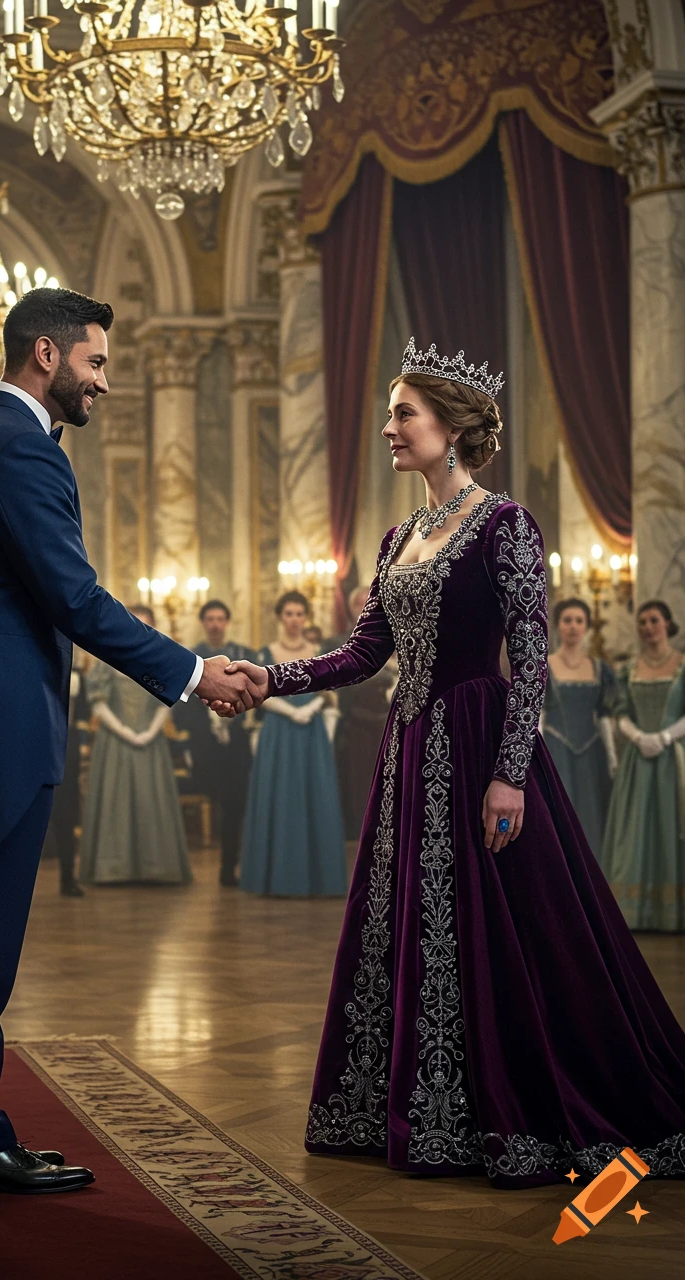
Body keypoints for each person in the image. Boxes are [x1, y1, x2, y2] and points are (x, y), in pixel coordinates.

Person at [227, 338, 685, 1187]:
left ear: (453, 426)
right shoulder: (400, 535)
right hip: (409, 754)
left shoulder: (506, 524)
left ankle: (514, 1108)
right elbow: (366, 652)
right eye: (392, 413)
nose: (389, 427)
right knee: (416, 927)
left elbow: (533, 656)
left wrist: (510, 772)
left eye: (404, 413)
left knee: (509, 933)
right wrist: (272, 677)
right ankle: (426, 1108)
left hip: (479, 747)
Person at [0, 286, 262, 1196]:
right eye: (94, 363)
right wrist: (192, 671)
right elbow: (74, 599)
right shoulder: (19, 449)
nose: (104, 383)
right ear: (45, 356)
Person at [240, 591, 345, 897]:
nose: (295, 620)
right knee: (280, 795)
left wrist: (310, 710)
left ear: (306, 617)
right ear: (279, 617)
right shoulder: (265, 653)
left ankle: (317, 878)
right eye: (289, 613)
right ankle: (277, 877)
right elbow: (254, 693)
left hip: (311, 735)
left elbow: (331, 693)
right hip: (279, 733)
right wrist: (289, 710)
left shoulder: (320, 652)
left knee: (315, 796)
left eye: (300, 613)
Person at [79, 605, 191, 886]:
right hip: (114, 742)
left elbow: (168, 700)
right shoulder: (106, 659)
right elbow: (98, 701)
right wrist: (126, 732)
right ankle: (113, 869)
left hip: (151, 743)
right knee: (115, 801)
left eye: (146, 625)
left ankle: (157, 867)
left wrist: (150, 733)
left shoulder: (160, 661)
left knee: (150, 798)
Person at [602, 599, 685, 932]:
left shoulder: (681, 665)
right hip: (639, 761)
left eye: (654, 621)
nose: (648, 628)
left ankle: (673, 913)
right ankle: (636, 914)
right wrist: (638, 738)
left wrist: (664, 737)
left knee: (672, 825)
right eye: (642, 623)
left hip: (675, 758)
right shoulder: (629, 669)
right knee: (636, 828)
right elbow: (619, 713)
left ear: (668, 623)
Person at [175, 599, 255, 886]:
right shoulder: (190, 657)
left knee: (237, 805)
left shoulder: (245, 655)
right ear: (202, 622)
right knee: (215, 799)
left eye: (220, 618)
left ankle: (229, 867)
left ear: (227, 622)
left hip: (237, 745)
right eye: (210, 618)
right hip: (204, 745)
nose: (215, 624)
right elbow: (180, 704)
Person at [541, 597, 618, 854]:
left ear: (586, 626)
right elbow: (537, 713)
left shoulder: (599, 668)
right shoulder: (544, 665)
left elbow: (605, 714)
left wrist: (611, 756)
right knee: (557, 818)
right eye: (567, 620)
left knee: (591, 819)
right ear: (558, 625)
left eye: (579, 621)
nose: (572, 626)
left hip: (590, 754)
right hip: (555, 749)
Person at [331, 585, 398, 840]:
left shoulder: (398, 637)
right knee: (361, 785)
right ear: (351, 609)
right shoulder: (339, 642)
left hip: (393, 723)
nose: (366, 607)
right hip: (358, 725)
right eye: (360, 603)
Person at [48, 651, 89, 897]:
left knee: (67, 812)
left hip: (67, 744)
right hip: (35, 742)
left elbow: (83, 712)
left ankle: (67, 876)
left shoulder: (76, 675)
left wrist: (81, 742)